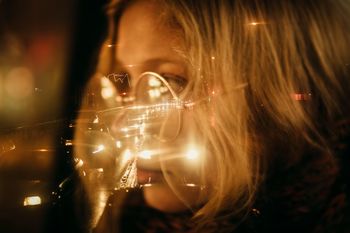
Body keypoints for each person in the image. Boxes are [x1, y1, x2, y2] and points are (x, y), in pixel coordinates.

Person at [76, 0, 350, 232]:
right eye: (124, 81)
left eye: (169, 82)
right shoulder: (128, 220)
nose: (122, 125)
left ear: (279, 94)